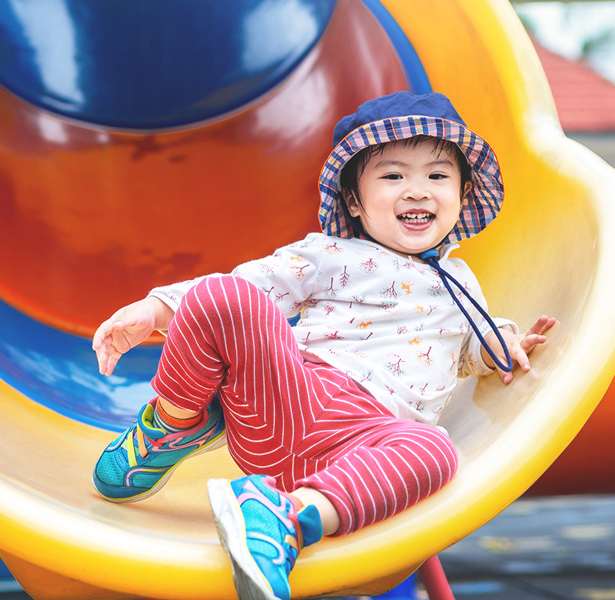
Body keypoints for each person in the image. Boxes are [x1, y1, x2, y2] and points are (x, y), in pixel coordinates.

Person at [91, 91, 556, 600]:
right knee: (224, 294)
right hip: (288, 400)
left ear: (463, 194)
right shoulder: (331, 253)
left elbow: (466, 350)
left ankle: (287, 519)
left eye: (438, 176)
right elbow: (257, 283)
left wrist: (500, 342)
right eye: (394, 175)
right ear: (354, 201)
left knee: (435, 451)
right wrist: (156, 311)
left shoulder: (461, 281)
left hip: (366, 439)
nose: (418, 190)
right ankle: (175, 424)